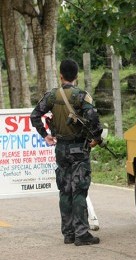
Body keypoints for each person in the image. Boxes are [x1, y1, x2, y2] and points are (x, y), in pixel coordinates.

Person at [30, 59, 103, 246]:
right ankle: (81, 233)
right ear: (76, 76)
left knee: (65, 190)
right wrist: (96, 138)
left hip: (61, 148)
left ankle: (68, 233)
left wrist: (45, 135)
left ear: (60, 75)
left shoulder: (52, 96)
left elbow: (35, 115)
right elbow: (93, 118)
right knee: (79, 189)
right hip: (79, 148)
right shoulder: (81, 96)